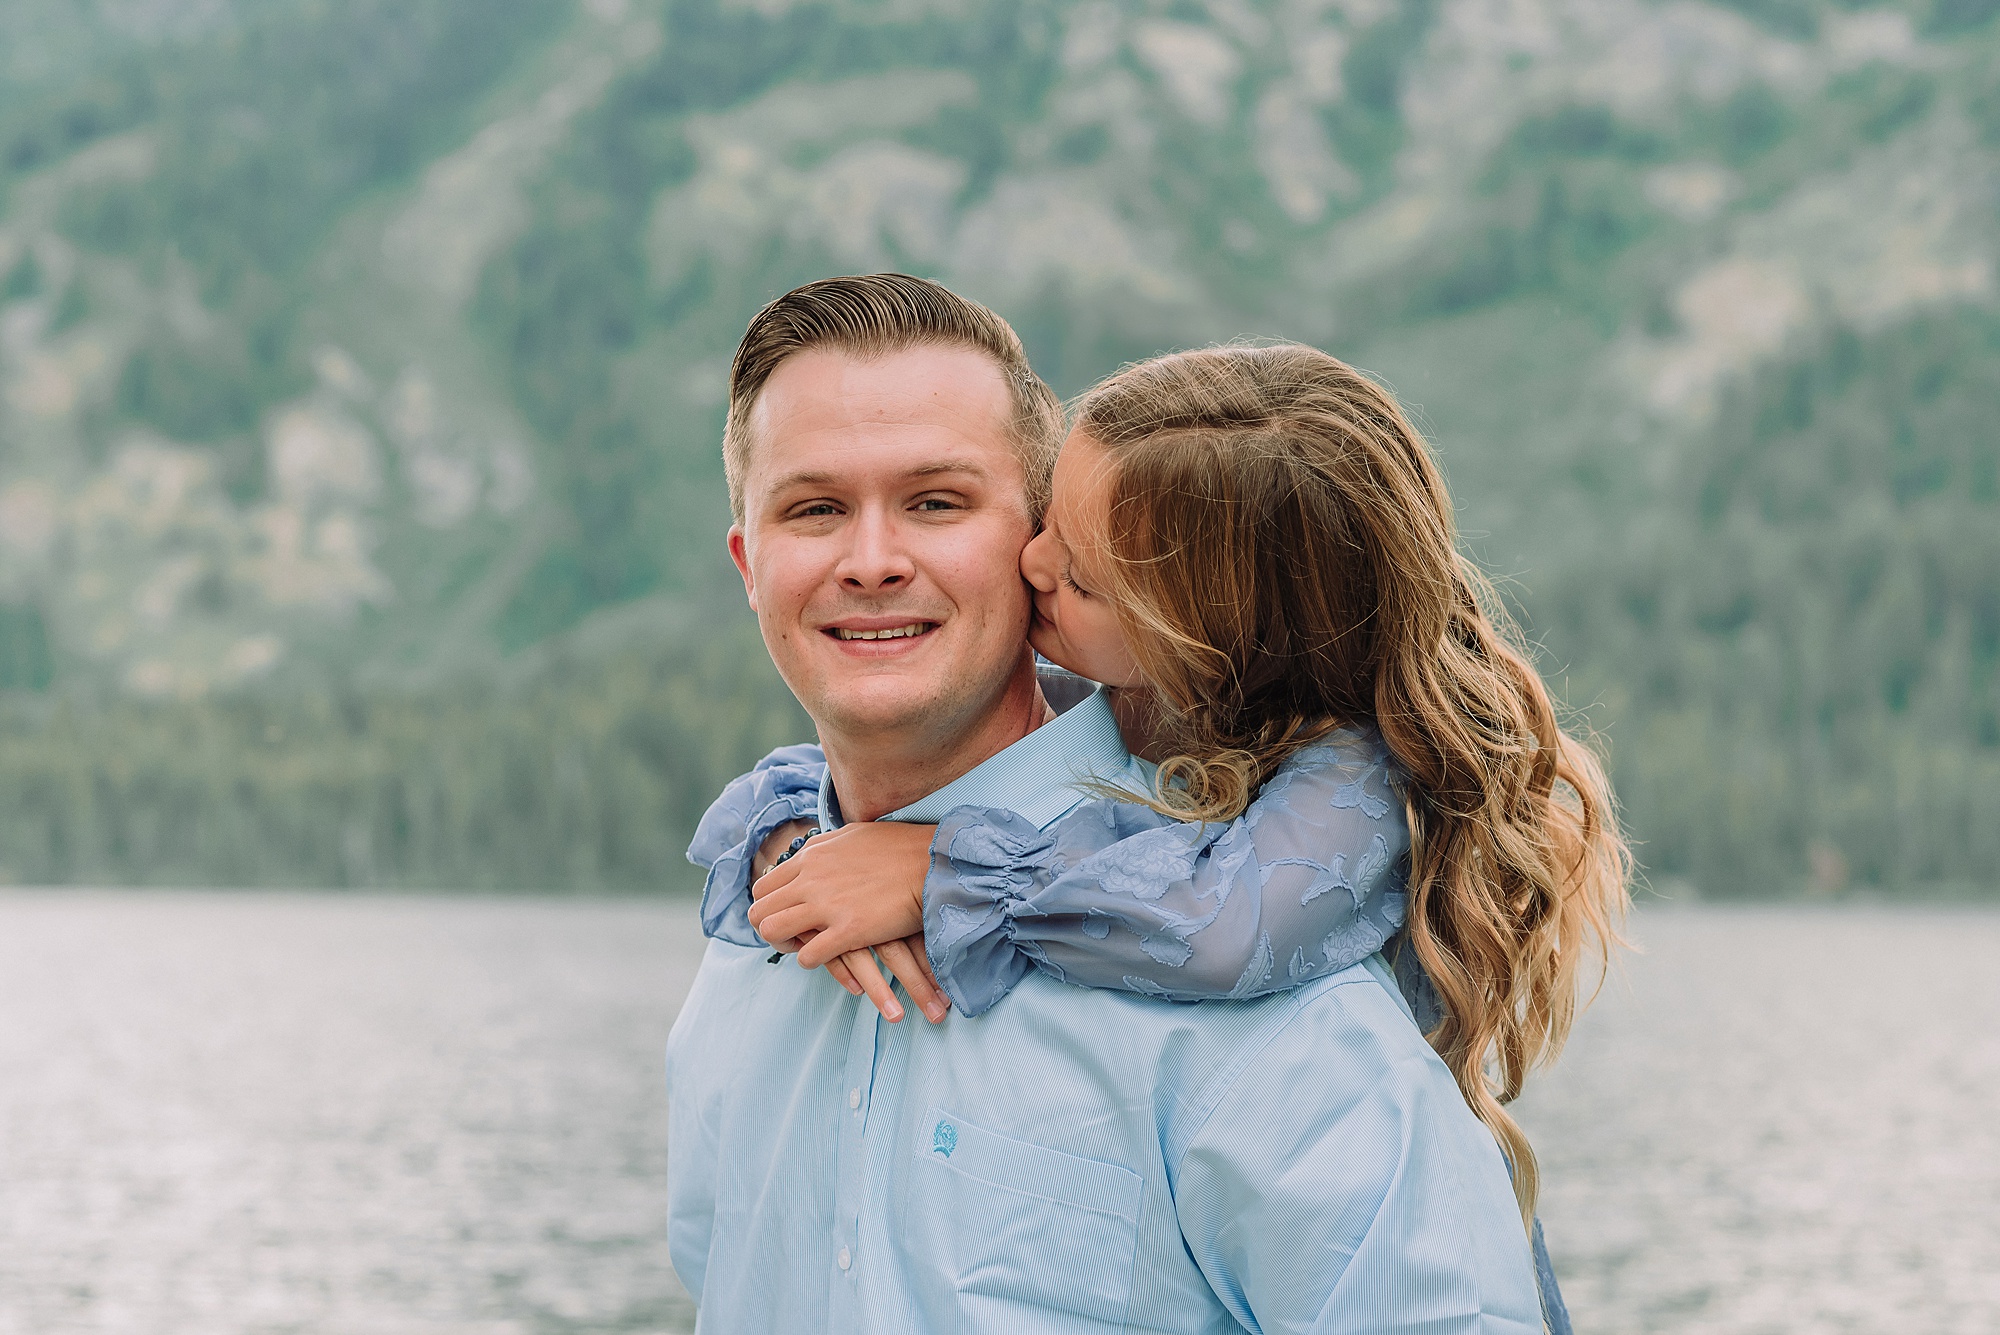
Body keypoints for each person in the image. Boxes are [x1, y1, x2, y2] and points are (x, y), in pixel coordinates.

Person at [667, 273, 1599, 1331]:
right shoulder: (755, 930)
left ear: (1032, 543)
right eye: (815, 509)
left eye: (935, 502)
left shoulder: (1272, 984)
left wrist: (949, 872)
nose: (872, 561)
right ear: (749, 563)